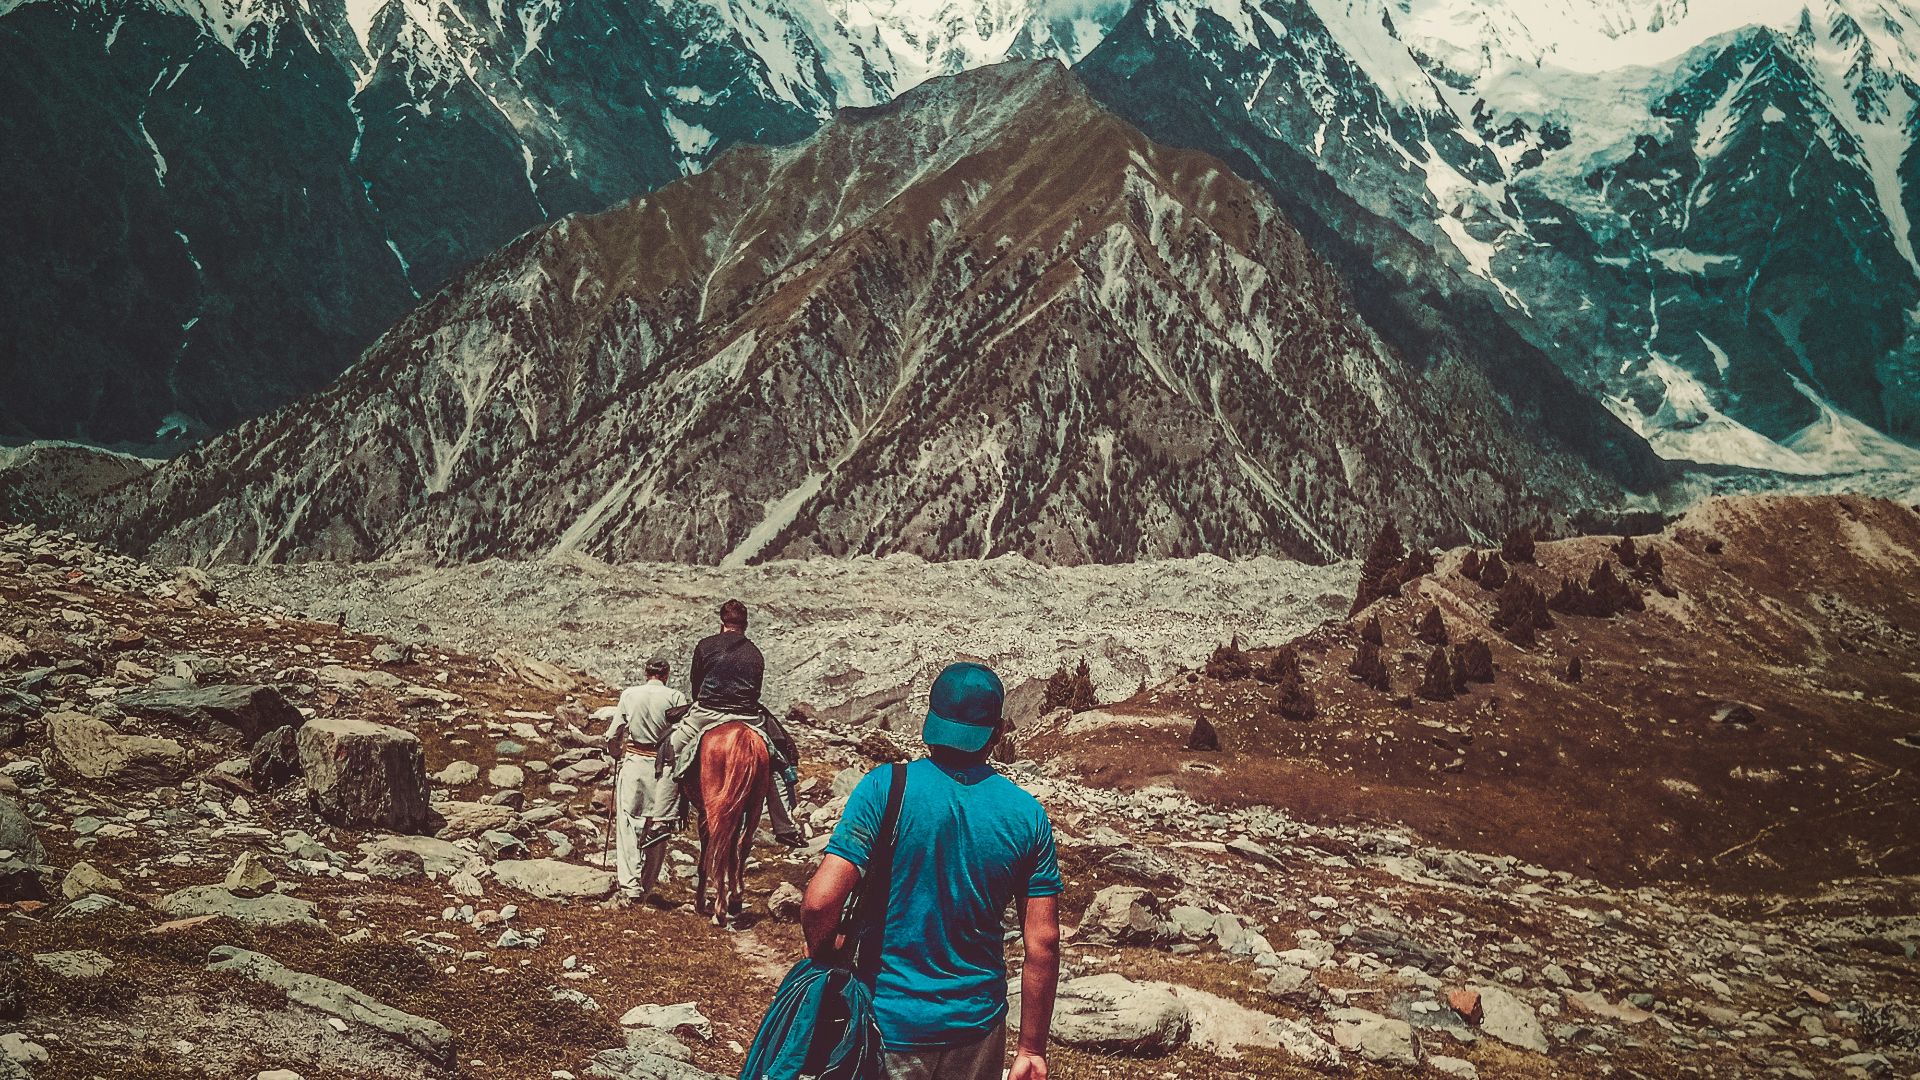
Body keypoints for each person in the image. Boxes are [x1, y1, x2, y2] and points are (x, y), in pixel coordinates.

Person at [800, 662, 1061, 1080]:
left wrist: (823, 951)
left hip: (888, 1026)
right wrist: (1030, 1047)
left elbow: (819, 901)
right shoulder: (1028, 815)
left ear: (931, 720)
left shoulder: (885, 787)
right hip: (978, 1030)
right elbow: (1043, 942)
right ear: (995, 734)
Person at [650, 598, 804, 848]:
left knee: (671, 751)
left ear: (722, 623)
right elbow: (756, 690)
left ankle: (662, 820)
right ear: (745, 625)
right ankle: (785, 826)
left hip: (707, 713)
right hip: (746, 717)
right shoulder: (755, 653)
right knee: (775, 761)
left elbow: (696, 685)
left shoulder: (705, 646)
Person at [601, 656, 688, 907]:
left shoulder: (630, 695)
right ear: (667, 674)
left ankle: (629, 885)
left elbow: (614, 731)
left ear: (645, 673)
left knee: (628, 823)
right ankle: (647, 886)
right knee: (657, 824)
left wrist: (615, 750)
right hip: (663, 767)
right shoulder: (675, 698)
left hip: (635, 762)